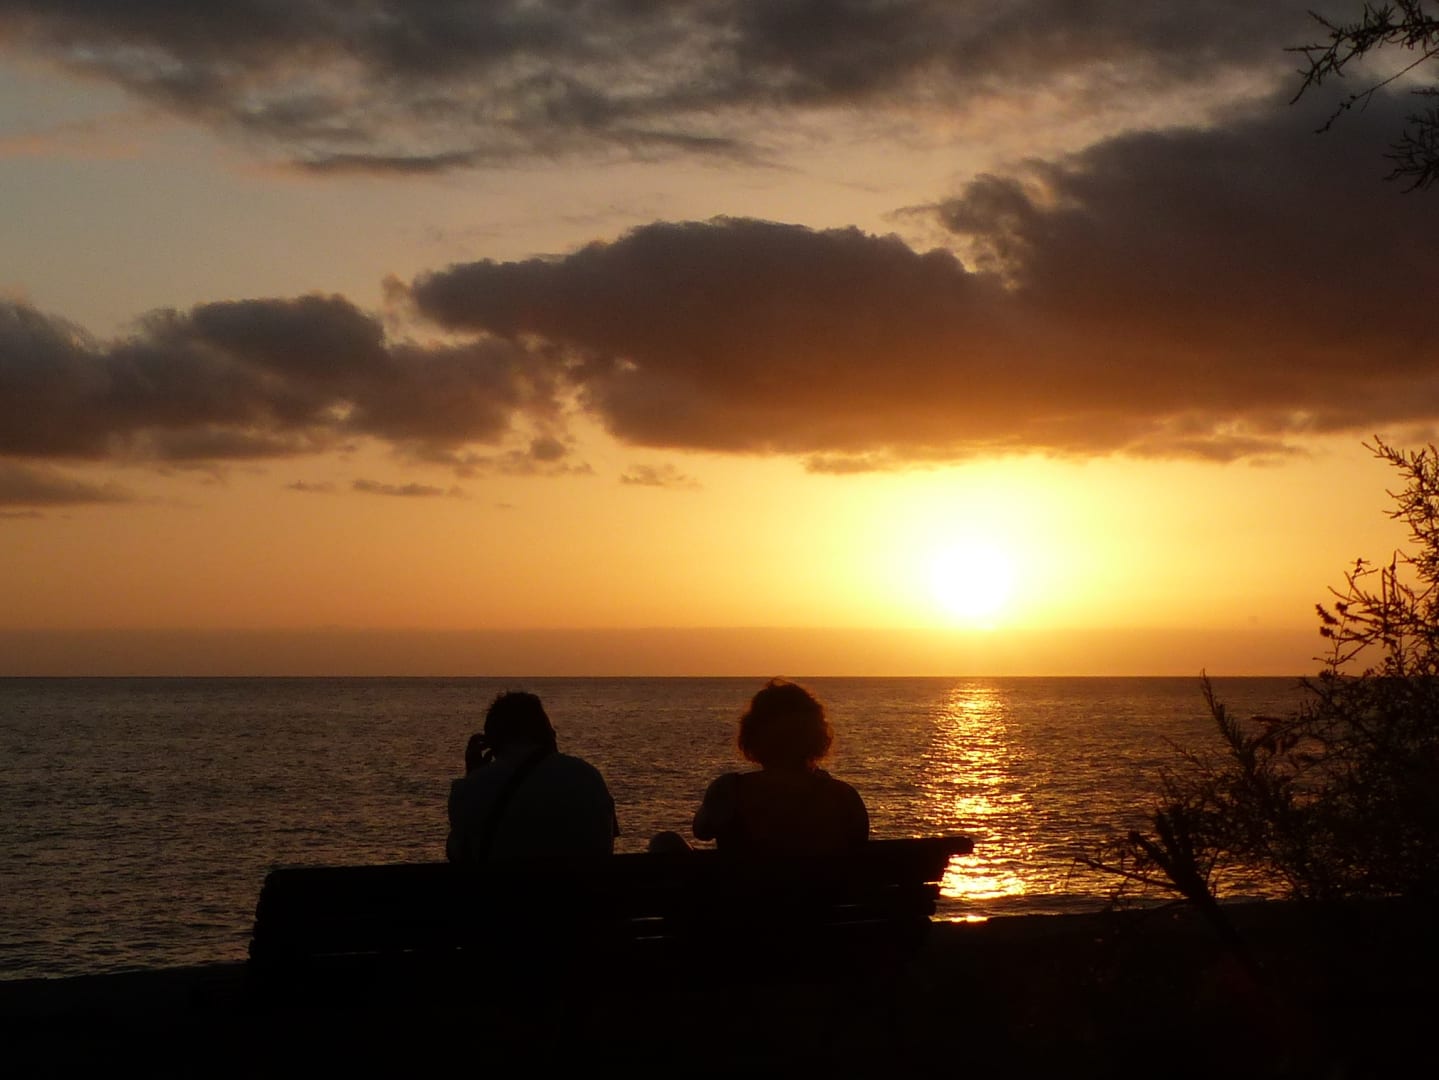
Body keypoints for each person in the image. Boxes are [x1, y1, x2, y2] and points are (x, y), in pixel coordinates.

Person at [685, 677, 869, 856]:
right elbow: (858, 843)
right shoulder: (843, 796)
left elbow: (701, 831)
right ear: (816, 735)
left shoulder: (728, 791)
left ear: (751, 734)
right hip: (819, 878)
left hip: (747, 877)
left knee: (670, 842)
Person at [446, 691, 618, 862]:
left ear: (492, 743)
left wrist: (473, 776)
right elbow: (606, 845)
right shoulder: (588, 777)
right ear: (547, 733)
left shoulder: (468, 790)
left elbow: (459, 855)